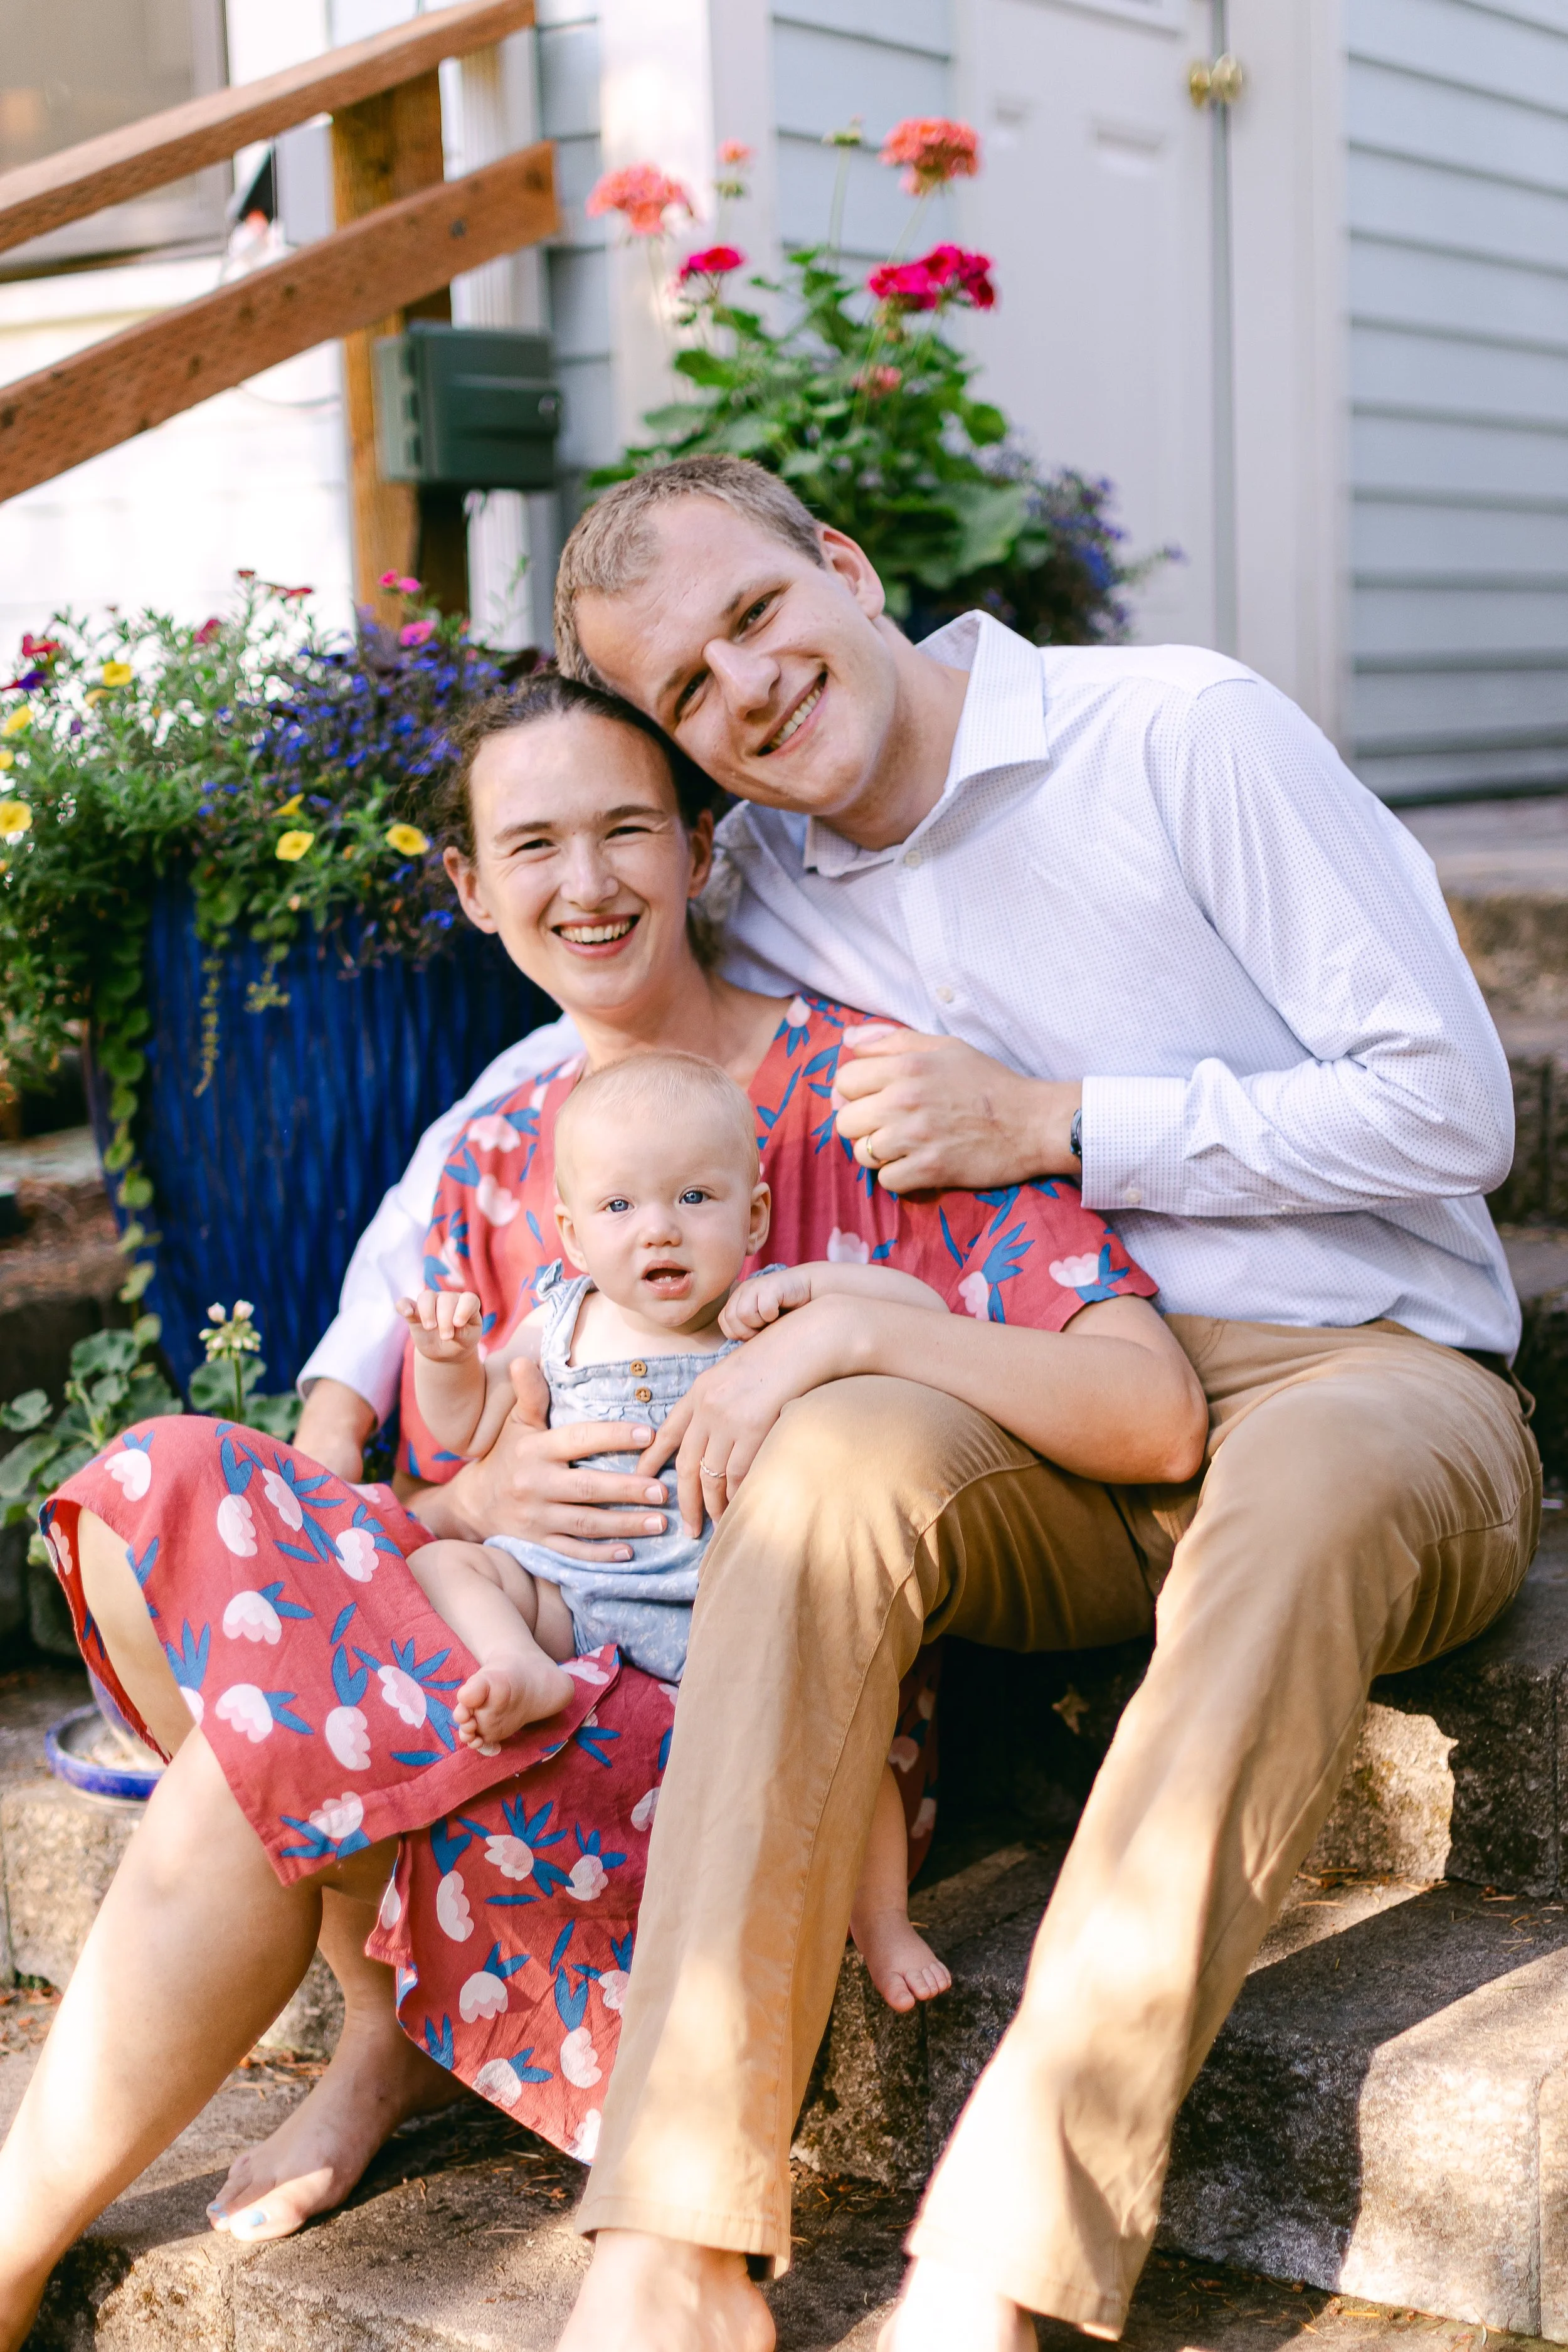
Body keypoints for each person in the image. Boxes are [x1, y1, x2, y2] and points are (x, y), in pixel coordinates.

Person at [0, 667, 1205, 2352]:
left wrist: (867, 1329)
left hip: (747, 1722)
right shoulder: (505, 1146)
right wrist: (461, 1484)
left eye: (629, 825)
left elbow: (1148, 1406)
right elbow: (423, 1487)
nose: (588, 881)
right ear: (471, 888)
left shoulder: (865, 1094)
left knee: (246, 1758)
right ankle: (300, 2082)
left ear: (705, 847)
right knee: (175, 1476)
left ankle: (250, 2116)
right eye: (533, 843)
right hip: (526, 1651)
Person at [521, 453, 1533, 2352]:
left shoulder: (1179, 734)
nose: (740, 687)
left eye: (753, 614)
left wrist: (1061, 1121)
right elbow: (588, 1042)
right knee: (817, 1460)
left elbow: (1451, 1102)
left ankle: (994, 2260)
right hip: (1052, 1399)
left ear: (844, 556)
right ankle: (668, 2237)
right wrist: (403, 1378)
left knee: (1296, 1492)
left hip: (1368, 1370)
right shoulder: (769, 898)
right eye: (684, 688)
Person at [400, 1044, 960, 2006]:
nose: (659, 1229)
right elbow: (461, 1428)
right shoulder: (559, 1320)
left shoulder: (761, 1315)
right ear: (572, 1236)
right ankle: (523, 1667)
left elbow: (926, 1312)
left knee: (846, 1738)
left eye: (695, 1199)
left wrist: (822, 1292)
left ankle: (884, 1918)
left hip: (728, 1614)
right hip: (573, 1597)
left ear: (753, 1218)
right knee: (451, 1561)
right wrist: (445, 1359)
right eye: (621, 1207)